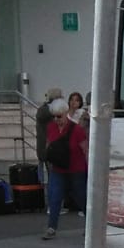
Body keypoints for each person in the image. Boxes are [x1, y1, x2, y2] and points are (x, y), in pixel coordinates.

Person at [42, 97, 87, 239]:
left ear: (65, 113)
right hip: (58, 168)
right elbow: (49, 145)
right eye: (54, 116)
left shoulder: (77, 130)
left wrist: (89, 168)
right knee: (54, 197)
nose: (56, 119)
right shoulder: (51, 127)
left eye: (59, 116)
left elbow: (85, 149)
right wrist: (48, 159)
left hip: (77, 169)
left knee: (82, 199)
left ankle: (90, 226)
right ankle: (51, 227)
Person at [35, 87, 64, 180]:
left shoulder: (47, 110)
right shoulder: (44, 110)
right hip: (47, 149)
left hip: (53, 148)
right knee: (52, 176)